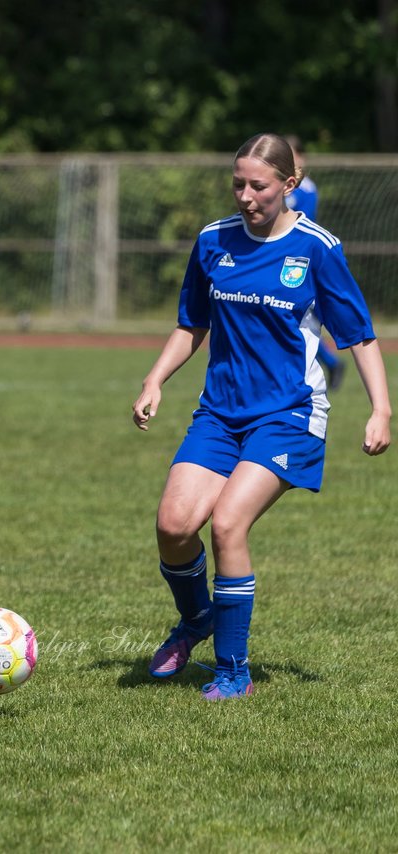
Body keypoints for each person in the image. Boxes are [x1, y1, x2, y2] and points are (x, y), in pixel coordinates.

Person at [132, 132, 391, 701]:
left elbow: (360, 336)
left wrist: (381, 409)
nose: (246, 195)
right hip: (220, 414)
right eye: (238, 184)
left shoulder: (316, 247)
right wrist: (155, 379)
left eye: (259, 185)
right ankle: (196, 620)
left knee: (227, 524)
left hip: (290, 414)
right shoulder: (212, 241)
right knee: (174, 527)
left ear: (288, 186)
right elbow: (191, 324)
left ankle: (233, 671)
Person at [286, 134, 346, 390]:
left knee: (300, 315)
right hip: (282, 257)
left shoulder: (306, 188)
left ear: (301, 157)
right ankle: (331, 362)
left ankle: (331, 361)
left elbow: (302, 225)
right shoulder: (277, 184)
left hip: (298, 259)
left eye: (291, 154)